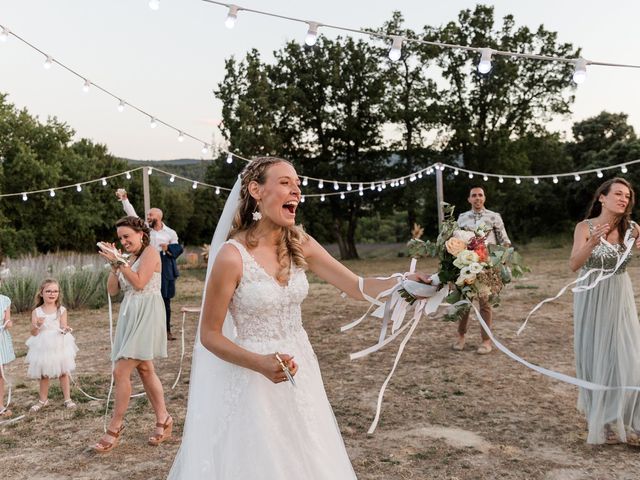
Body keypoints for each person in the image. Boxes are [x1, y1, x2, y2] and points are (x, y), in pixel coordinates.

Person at [168, 157, 428, 479]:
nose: (297, 191)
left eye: (298, 184)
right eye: (285, 182)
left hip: (301, 369)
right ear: (256, 190)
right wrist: (260, 363)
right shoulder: (231, 256)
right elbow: (210, 335)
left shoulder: (299, 243)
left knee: (309, 456)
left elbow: (358, 287)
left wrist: (407, 283)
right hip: (253, 378)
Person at [569, 177, 640, 445]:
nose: (624, 199)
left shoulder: (633, 228)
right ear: (602, 197)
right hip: (591, 294)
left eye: (628, 196)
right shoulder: (584, 227)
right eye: (619, 194)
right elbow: (574, 264)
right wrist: (592, 242)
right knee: (594, 353)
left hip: (620, 295)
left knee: (628, 355)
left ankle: (631, 420)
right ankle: (605, 421)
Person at [93, 216, 171, 453]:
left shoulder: (150, 253)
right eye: (120, 238)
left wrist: (120, 262)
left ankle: (115, 425)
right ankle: (164, 419)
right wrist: (115, 264)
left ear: (141, 234)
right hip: (130, 316)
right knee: (145, 369)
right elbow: (112, 290)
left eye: (127, 236)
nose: (124, 241)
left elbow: (139, 283)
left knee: (121, 370)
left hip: (147, 313)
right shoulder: (128, 259)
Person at [116, 189, 183, 340]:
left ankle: (165, 330)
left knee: (164, 299)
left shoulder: (170, 233)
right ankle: (147, 329)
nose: (148, 217)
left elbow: (178, 249)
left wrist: (168, 248)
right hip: (145, 263)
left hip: (164, 265)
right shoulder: (145, 230)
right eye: (147, 215)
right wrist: (125, 200)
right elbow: (132, 215)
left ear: (159, 217)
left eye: (151, 215)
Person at [453, 186, 511, 354]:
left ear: (484, 198)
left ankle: (486, 341)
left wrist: (502, 260)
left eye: (480, 195)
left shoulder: (494, 217)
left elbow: (504, 240)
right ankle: (461, 337)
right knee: (464, 302)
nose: (477, 198)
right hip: (466, 264)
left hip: (487, 265)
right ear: (469, 199)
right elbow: (456, 240)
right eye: (474, 196)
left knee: (485, 303)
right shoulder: (462, 218)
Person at [25, 279, 78, 412]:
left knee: (63, 372)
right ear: (41, 293)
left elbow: (63, 326)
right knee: (44, 374)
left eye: (55, 291)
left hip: (58, 342)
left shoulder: (61, 310)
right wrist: (38, 324)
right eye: (48, 291)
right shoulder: (37, 311)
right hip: (43, 344)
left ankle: (67, 399)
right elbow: (34, 332)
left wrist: (66, 329)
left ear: (58, 293)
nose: (52, 293)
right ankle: (43, 400)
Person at [0, 290, 14, 417]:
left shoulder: (5, 300)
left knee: (0, 374)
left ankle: (0, 405)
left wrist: (8, 323)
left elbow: (7, 320)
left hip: (1, 339)